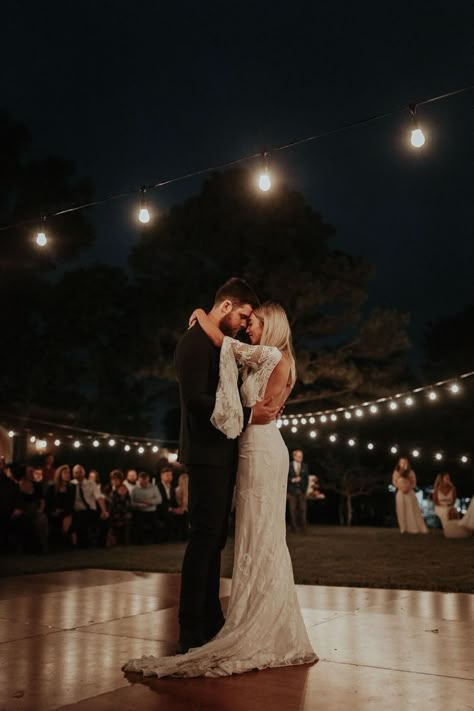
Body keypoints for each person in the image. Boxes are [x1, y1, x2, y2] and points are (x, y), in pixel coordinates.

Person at [123, 295, 317, 677]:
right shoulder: (275, 359)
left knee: (260, 538)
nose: (249, 326)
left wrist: (200, 314)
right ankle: (246, 618)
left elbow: (223, 344)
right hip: (253, 447)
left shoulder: (273, 357)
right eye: (248, 319)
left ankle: (257, 624)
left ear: (273, 327)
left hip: (260, 449)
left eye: (255, 321)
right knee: (252, 537)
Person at [392, 457, 428, 534]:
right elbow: (394, 482)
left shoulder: (411, 472)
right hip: (400, 493)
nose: (403, 464)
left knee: (411, 510)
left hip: (409, 493)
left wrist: (408, 488)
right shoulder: (396, 472)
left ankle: (413, 527)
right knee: (401, 510)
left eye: (405, 463)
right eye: (401, 462)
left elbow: (413, 483)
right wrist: (401, 488)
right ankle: (403, 528)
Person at [45, 464, 76, 547]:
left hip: (66, 511)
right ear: (60, 474)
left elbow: (70, 503)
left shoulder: (72, 487)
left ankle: (68, 541)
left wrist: (65, 511)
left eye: (69, 473)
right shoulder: (51, 487)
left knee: (68, 517)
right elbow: (48, 502)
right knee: (56, 519)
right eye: (65, 473)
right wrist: (54, 510)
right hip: (53, 511)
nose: (68, 475)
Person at [130, 471, 162, 543]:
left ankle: (157, 541)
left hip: (151, 511)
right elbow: (131, 502)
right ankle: (140, 541)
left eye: (146, 481)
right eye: (142, 482)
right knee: (138, 524)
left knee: (156, 524)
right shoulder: (135, 489)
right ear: (139, 480)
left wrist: (150, 502)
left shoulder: (154, 487)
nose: (144, 483)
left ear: (148, 480)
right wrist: (139, 505)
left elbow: (159, 499)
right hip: (140, 511)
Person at [287, 449, 309, 533]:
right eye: (299, 456)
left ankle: (303, 527)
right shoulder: (289, 465)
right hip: (292, 491)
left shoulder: (304, 466)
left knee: (303, 509)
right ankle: (294, 527)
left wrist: (305, 489)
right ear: (294, 456)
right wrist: (292, 480)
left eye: (302, 456)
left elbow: (306, 479)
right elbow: (285, 478)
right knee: (292, 510)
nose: (301, 458)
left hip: (301, 491)